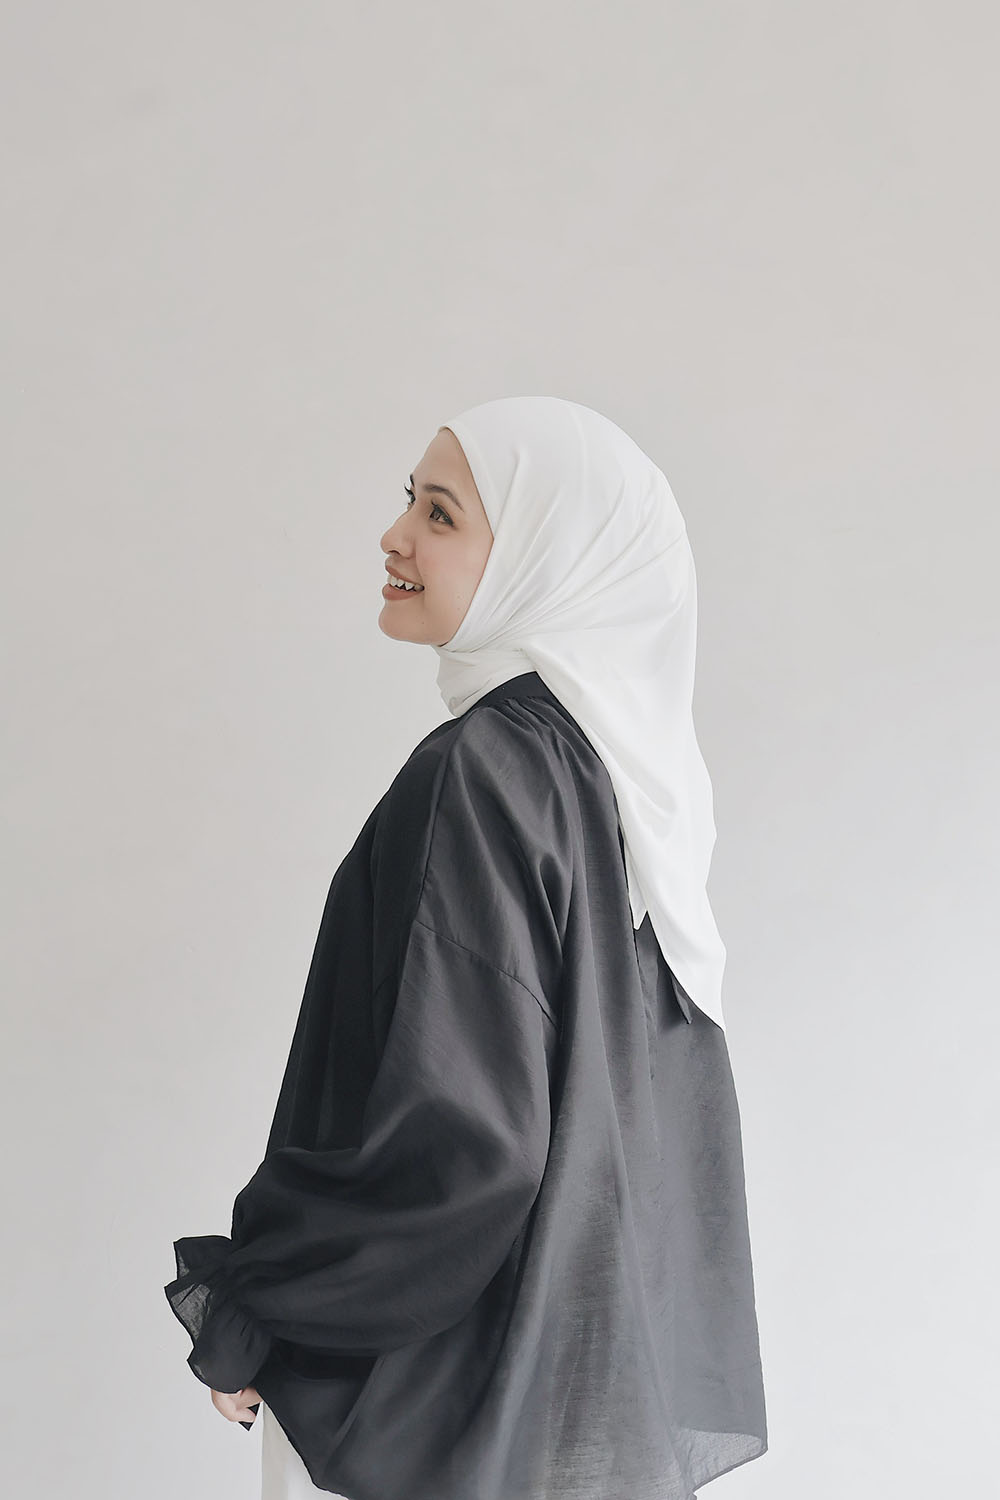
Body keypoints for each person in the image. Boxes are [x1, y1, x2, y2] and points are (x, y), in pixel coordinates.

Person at [164, 396, 768, 1500]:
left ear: (547, 559)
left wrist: (264, 1300)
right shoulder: (611, 783)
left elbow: (468, 1143)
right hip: (555, 1401)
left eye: (440, 514)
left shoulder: (480, 771)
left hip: (425, 1396)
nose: (394, 536)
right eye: (410, 500)